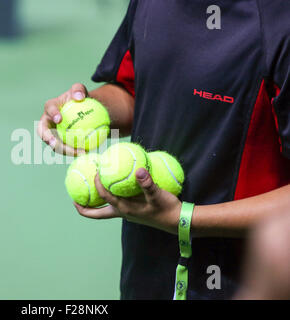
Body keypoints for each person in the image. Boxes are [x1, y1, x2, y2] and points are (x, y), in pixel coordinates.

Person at [38, 0, 290, 299]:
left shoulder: (280, 21)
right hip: (146, 268)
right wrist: (84, 111)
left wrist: (185, 219)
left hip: (251, 281)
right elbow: (136, 92)